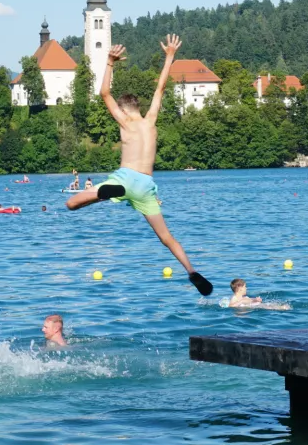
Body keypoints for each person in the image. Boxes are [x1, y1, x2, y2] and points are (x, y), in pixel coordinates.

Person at [65, 36, 213, 296]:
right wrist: (169, 56)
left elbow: (104, 93)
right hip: (147, 186)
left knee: (71, 204)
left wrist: (110, 62)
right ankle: (191, 271)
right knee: (166, 237)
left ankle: (103, 194)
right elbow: (161, 87)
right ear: (139, 107)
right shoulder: (151, 121)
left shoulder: (125, 122)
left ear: (123, 109)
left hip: (125, 178)